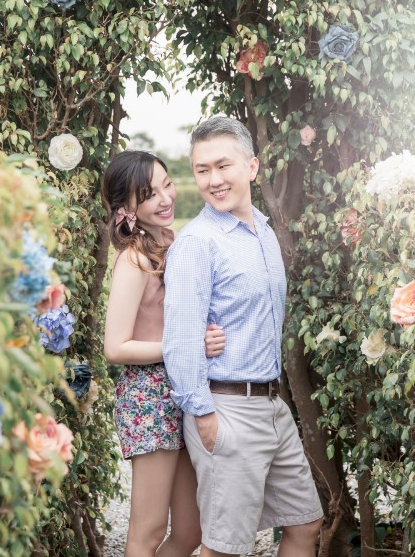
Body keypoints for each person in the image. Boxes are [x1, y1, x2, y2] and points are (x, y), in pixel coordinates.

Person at [162, 117, 323, 555]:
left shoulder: (264, 232)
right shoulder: (197, 244)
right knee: (224, 547)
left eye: (223, 165)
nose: (213, 180)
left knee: (305, 524)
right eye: (201, 170)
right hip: (225, 409)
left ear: (251, 167)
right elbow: (179, 339)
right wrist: (204, 415)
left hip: (273, 407)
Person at [102, 150, 227, 557]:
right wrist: (185, 347)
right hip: (148, 397)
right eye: (148, 193)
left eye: (166, 184)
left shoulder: (176, 243)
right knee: (148, 530)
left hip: (184, 388)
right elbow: (115, 346)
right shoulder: (135, 260)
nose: (164, 198)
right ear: (127, 207)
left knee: (191, 532)